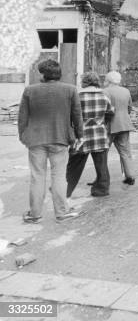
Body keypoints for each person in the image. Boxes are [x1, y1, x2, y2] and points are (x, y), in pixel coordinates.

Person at [18, 59, 84, 223]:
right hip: (60, 138)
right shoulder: (70, 90)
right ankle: (61, 212)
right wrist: (79, 135)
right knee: (59, 177)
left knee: (37, 177)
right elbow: (77, 115)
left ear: (42, 75)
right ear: (59, 74)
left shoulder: (29, 90)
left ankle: (34, 215)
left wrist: (23, 136)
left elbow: (22, 118)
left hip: (35, 140)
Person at [66, 72, 114, 198]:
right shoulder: (104, 96)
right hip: (99, 134)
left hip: (81, 135)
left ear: (84, 82)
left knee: (74, 165)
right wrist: (101, 123)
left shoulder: (77, 96)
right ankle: (102, 190)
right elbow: (110, 113)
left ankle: (65, 189)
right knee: (101, 164)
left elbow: (70, 115)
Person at [103, 71, 136, 185]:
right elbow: (130, 107)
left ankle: (102, 179)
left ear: (108, 80)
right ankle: (130, 176)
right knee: (125, 152)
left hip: (109, 125)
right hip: (124, 123)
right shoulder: (126, 91)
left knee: (103, 153)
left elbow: (104, 109)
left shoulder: (105, 91)